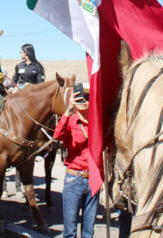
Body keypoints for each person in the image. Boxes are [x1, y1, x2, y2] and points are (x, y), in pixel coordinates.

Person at [54, 83, 98, 238]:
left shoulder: (96, 123)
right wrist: (68, 110)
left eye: (87, 97)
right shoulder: (71, 121)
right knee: (70, 232)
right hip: (74, 178)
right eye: (79, 98)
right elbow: (57, 135)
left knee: (88, 232)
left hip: (92, 179)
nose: (83, 101)